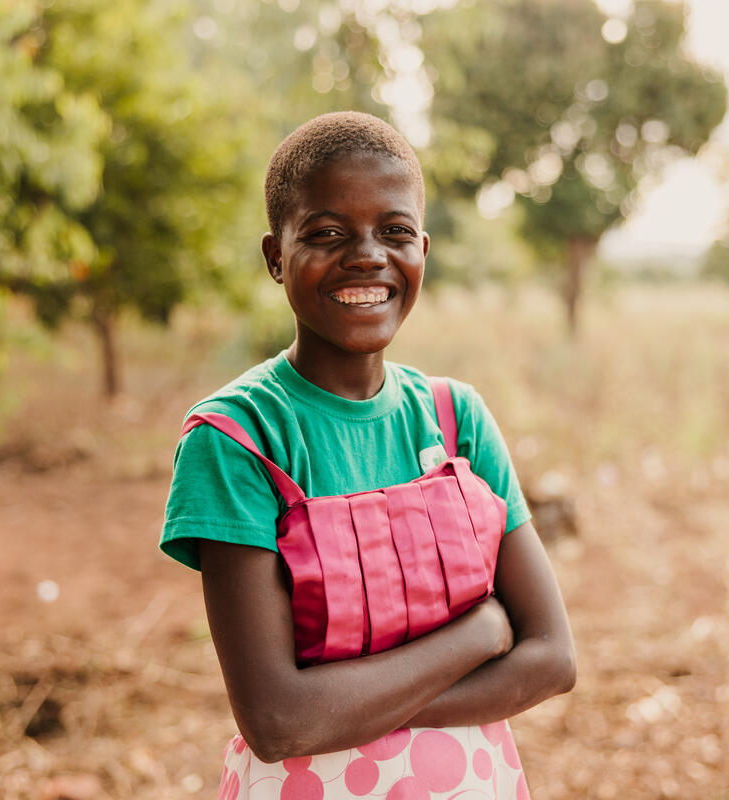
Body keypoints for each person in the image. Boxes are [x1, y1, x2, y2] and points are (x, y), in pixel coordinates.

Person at [160, 111, 575, 799]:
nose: (367, 256)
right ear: (275, 256)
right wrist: (479, 635)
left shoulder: (457, 419)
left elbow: (553, 658)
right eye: (327, 233)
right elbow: (279, 721)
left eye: (395, 231)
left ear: (422, 250)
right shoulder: (237, 437)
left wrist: (346, 710)